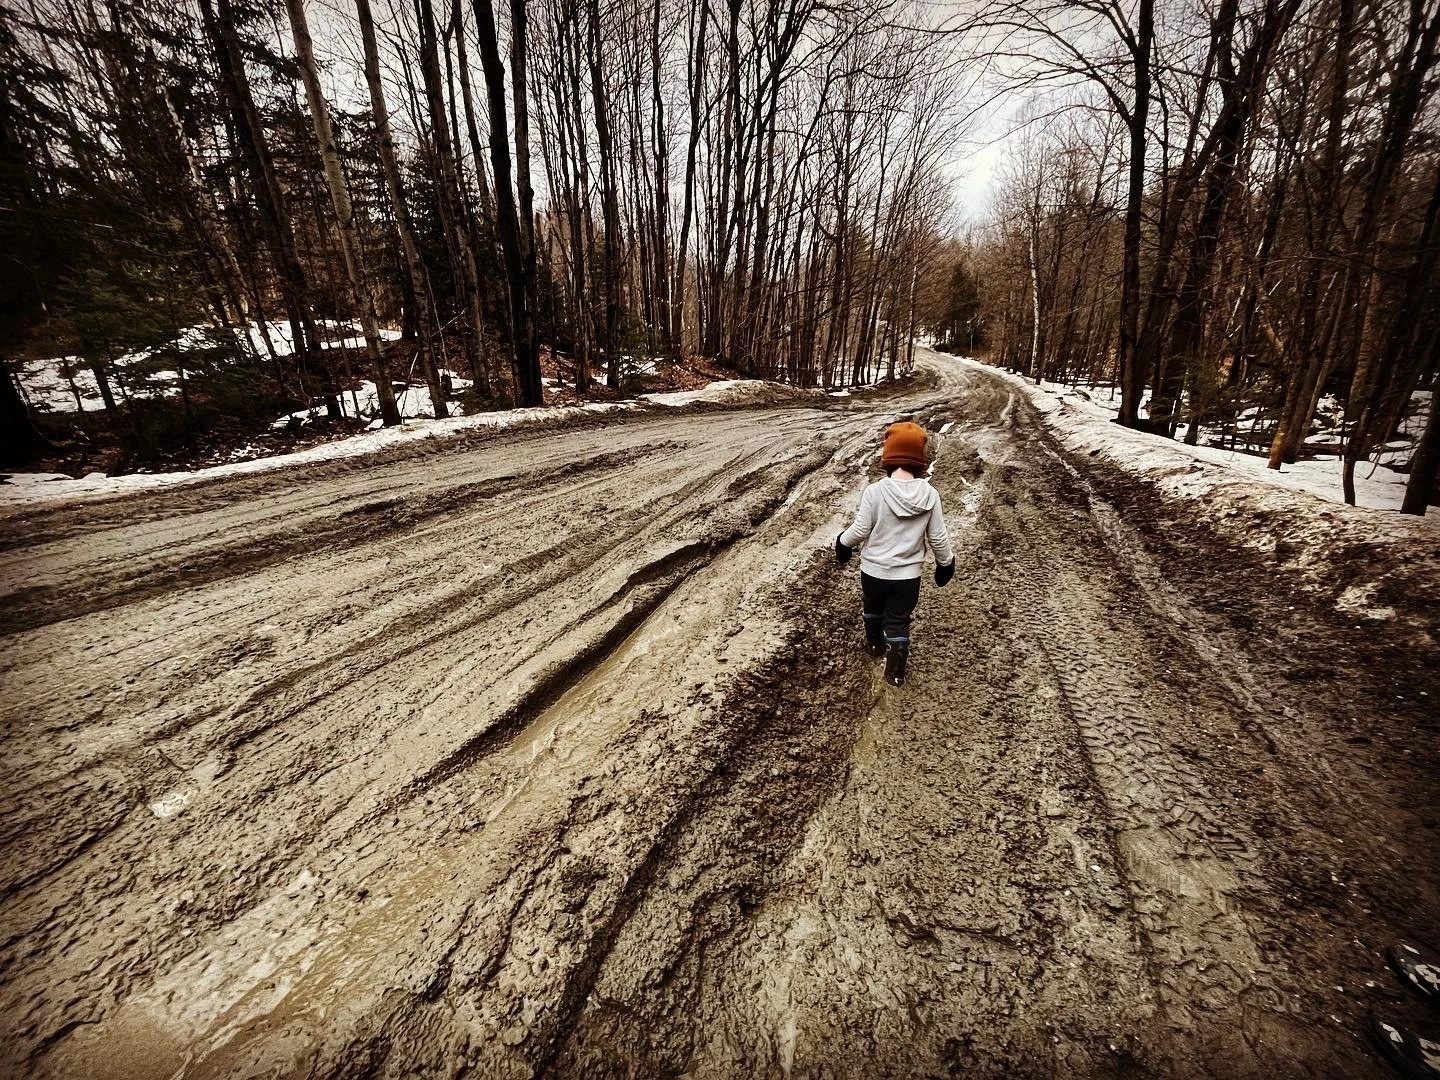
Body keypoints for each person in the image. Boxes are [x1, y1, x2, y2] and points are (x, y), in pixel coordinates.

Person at [835, 420, 955, 687]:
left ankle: (875, 645)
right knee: (899, 619)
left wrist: (843, 543)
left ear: (888, 457)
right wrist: (945, 563)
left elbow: (860, 529)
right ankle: (896, 671)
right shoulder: (930, 495)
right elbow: (937, 536)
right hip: (907, 578)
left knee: (873, 607)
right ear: (919, 460)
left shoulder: (875, 492)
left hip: (874, 572)